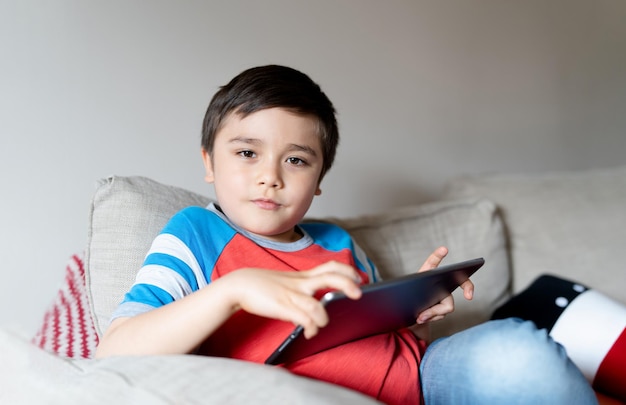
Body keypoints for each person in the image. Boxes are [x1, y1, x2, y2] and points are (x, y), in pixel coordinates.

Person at [95, 65, 598, 404]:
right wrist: (233, 289)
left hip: (424, 378)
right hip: (319, 395)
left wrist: (416, 312)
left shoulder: (336, 241)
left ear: (318, 181)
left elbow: (384, 345)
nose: (271, 175)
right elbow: (114, 352)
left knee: (516, 346)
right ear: (208, 163)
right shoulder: (195, 232)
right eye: (247, 153)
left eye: (296, 160)